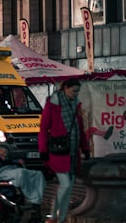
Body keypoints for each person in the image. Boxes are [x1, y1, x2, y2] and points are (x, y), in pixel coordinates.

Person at [39, 78, 89, 223]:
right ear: (65, 88)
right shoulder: (52, 104)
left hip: (72, 150)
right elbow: (43, 128)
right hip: (58, 150)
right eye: (74, 91)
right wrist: (43, 149)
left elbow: (79, 127)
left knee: (68, 186)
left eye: (77, 91)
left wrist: (84, 148)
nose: (75, 94)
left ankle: (60, 218)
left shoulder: (75, 104)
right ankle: (53, 216)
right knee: (66, 184)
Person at [0, 140, 46, 206]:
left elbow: (8, 158)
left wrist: (17, 160)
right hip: (1, 171)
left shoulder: (4, 148)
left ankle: (37, 199)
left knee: (38, 174)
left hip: (11, 168)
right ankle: (31, 198)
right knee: (21, 174)